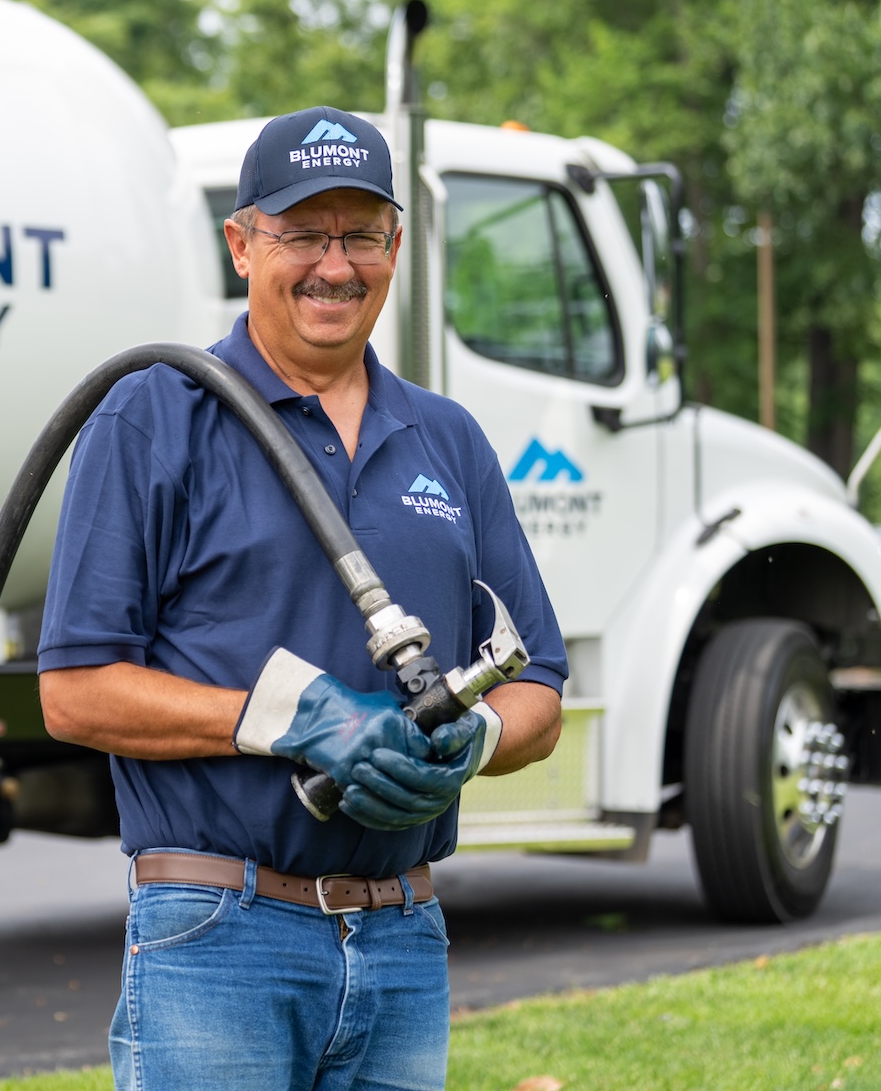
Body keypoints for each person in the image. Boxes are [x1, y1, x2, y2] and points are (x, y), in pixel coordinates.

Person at [36, 107, 567, 1090]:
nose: (336, 263)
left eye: (360, 233)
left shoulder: (447, 439)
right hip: (219, 932)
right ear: (242, 243)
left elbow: (541, 680)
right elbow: (76, 690)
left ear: (394, 247)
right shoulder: (157, 414)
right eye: (302, 232)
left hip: (405, 935)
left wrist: (479, 737)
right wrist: (294, 718)